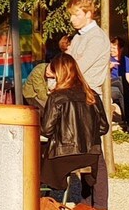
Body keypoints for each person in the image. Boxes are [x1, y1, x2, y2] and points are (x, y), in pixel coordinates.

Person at [66, 0, 111, 210]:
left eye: (76, 14)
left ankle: (101, 207)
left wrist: (57, 75)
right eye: (71, 15)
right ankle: (85, 201)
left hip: (89, 97)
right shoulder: (78, 37)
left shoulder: (97, 39)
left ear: (88, 13)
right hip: (75, 96)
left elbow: (76, 68)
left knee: (95, 152)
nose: (72, 19)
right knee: (83, 151)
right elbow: (67, 64)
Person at [39, 53, 108, 199]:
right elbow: (104, 127)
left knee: (36, 162)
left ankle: (41, 201)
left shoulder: (56, 97)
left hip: (62, 155)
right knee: (97, 156)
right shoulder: (92, 95)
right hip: (89, 155)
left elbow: (46, 130)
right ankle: (92, 203)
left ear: (59, 74)